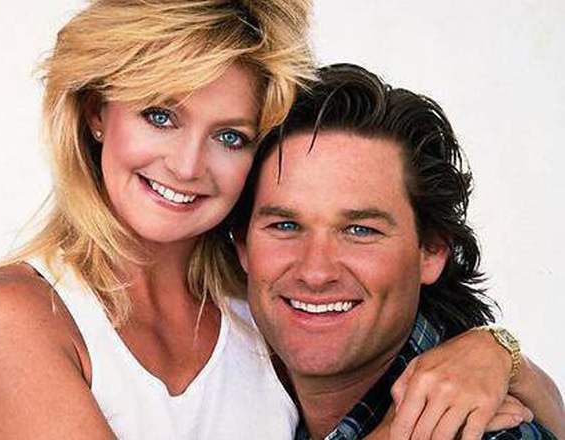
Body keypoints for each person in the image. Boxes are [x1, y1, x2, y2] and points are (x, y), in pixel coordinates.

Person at [0, 0, 558, 438]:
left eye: (230, 136)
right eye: (160, 116)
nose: (187, 166)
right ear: (96, 112)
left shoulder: (264, 297)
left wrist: (498, 353)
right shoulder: (14, 317)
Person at [231, 63, 564, 439]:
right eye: (285, 226)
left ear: (432, 250)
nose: (315, 272)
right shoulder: (236, 394)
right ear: (242, 244)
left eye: (360, 230)